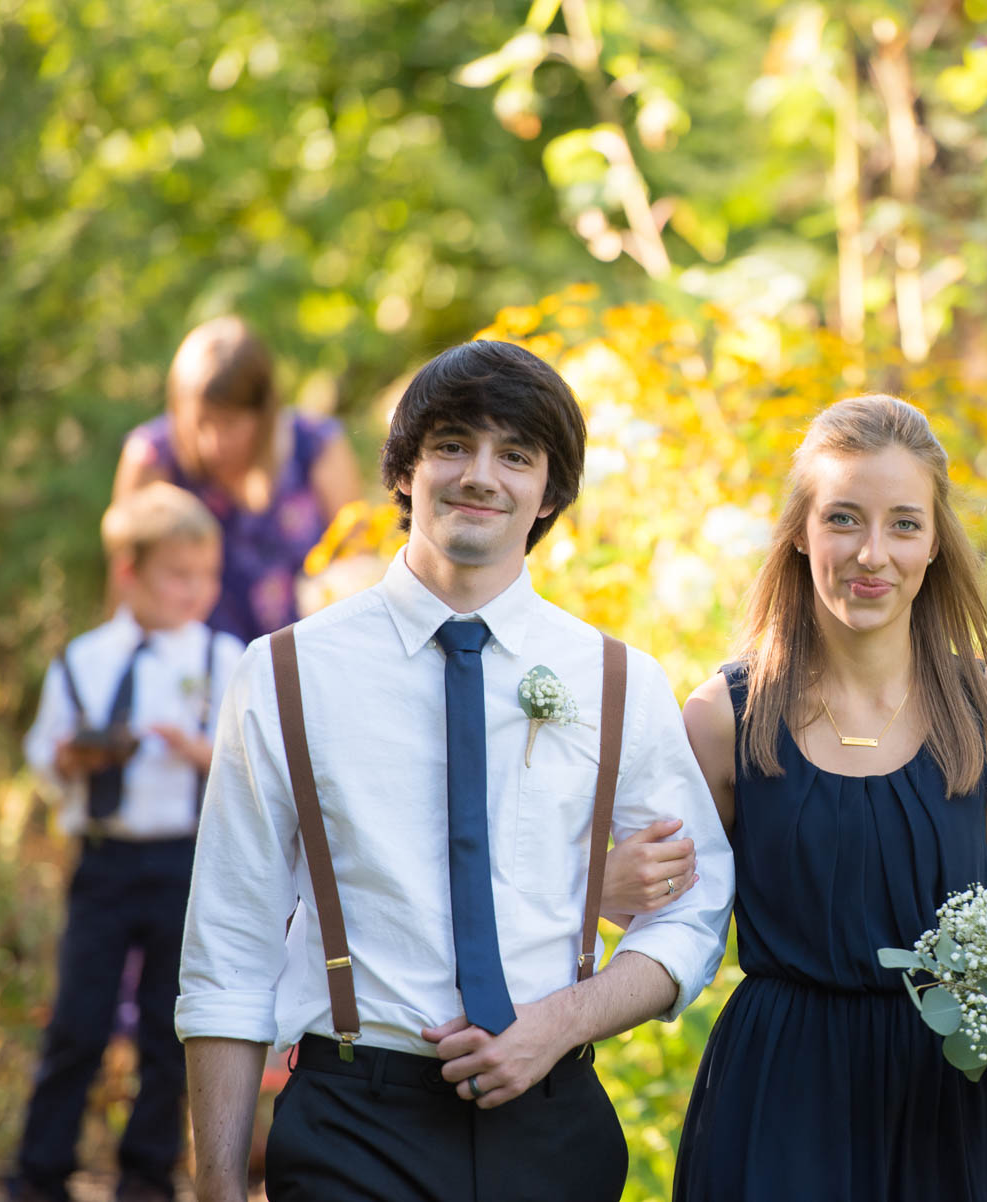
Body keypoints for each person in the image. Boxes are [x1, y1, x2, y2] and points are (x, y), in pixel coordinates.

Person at [175, 339, 734, 1202]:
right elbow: (230, 944)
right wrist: (215, 1186)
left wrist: (555, 1025)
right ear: (405, 470)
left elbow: (695, 907)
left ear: (549, 492)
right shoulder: (287, 672)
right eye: (451, 446)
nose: (480, 474)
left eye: (515, 455)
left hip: (552, 1125)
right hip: (352, 1124)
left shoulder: (614, 678)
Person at [672, 395, 987, 1202]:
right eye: (843, 519)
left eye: (902, 524)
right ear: (800, 533)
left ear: (934, 543)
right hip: (779, 1091)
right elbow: (662, 914)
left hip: (952, 1096)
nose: (871, 554)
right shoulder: (724, 718)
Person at [12, 483, 245, 1202]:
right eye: (178, 574)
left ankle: (147, 1174)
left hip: (186, 861)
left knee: (165, 1025)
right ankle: (39, 1174)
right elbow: (42, 755)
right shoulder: (84, 660)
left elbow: (249, 762)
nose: (196, 591)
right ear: (128, 573)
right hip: (105, 863)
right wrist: (71, 759)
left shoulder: (223, 655)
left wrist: (199, 751)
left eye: (207, 575)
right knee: (77, 1024)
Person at [113, 316, 362, 645]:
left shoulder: (316, 446)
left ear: (263, 413)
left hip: (305, 663)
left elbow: (358, 567)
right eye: (201, 423)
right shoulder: (152, 458)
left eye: (230, 423)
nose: (212, 442)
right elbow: (124, 585)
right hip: (193, 675)